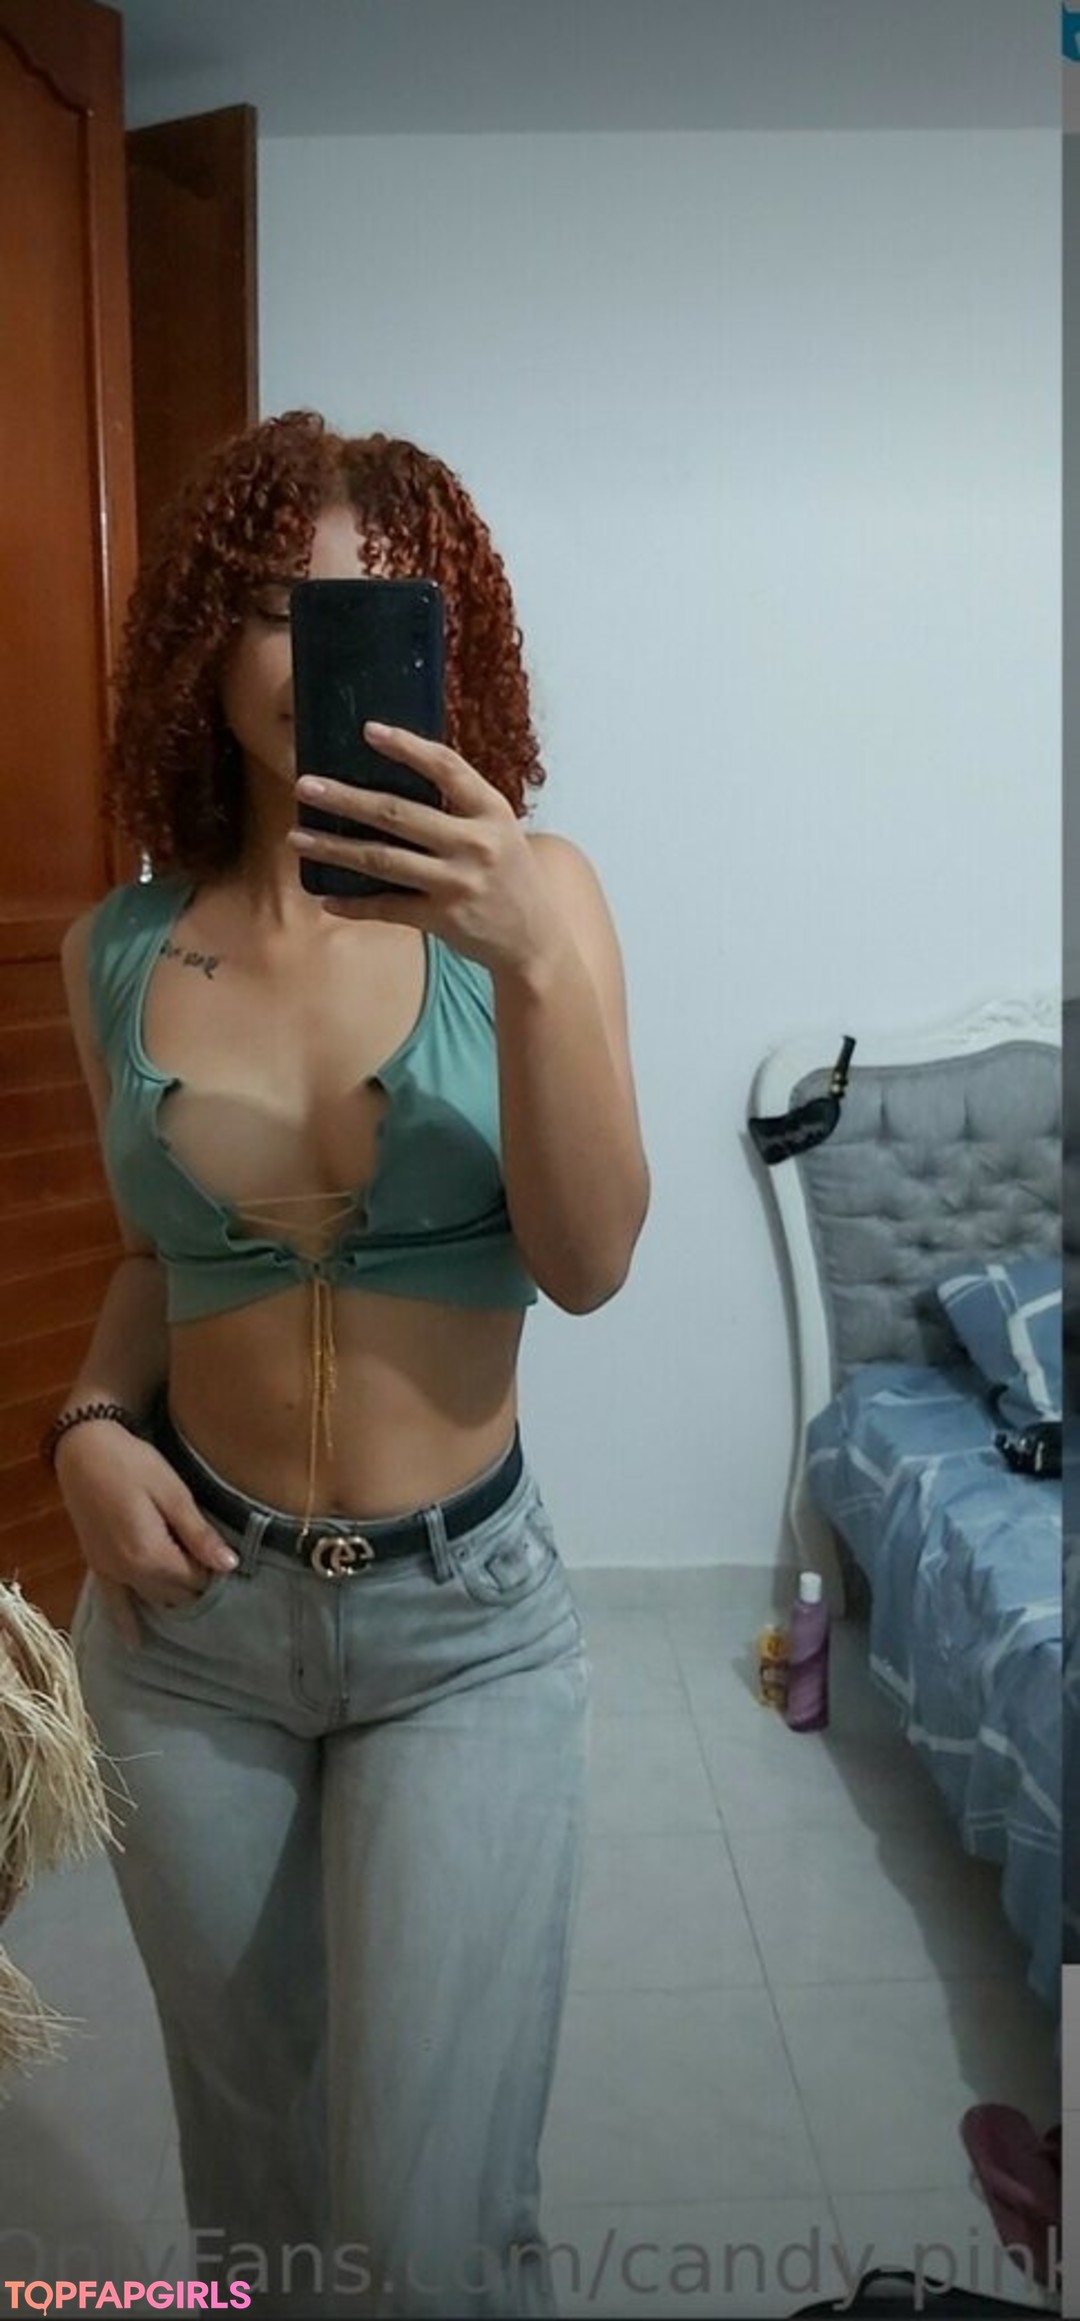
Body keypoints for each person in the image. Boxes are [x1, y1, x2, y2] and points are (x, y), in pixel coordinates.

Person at [54, 410, 649, 2320]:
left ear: (442, 639)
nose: (314, 646)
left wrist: (529, 959)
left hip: (461, 1626)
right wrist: (85, 1426)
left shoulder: (542, 900)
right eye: (271, 602)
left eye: (371, 605)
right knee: (255, 2188)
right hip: (190, 1636)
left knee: (426, 2229)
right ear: (202, 638)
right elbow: (160, 1261)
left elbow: (592, 1261)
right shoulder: (117, 949)